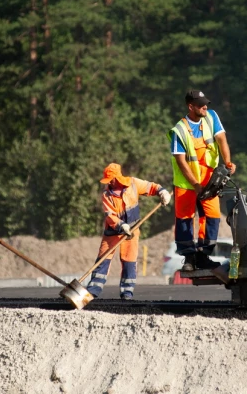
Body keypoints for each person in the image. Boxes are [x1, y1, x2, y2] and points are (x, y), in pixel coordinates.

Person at [168, 90, 237, 271]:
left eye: (206, 103)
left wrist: (228, 162)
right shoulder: (179, 130)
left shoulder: (211, 117)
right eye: (200, 104)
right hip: (186, 182)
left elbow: (221, 139)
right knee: (185, 219)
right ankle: (189, 258)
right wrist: (195, 185)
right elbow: (181, 161)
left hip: (209, 180)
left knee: (213, 217)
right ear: (190, 107)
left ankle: (203, 255)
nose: (205, 106)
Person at [87, 163, 171, 300]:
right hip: (113, 230)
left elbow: (151, 187)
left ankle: (127, 293)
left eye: (110, 180)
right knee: (103, 260)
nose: (109, 183)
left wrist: (162, 191)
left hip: (132, 231)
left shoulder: (133, 183)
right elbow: (110, 216)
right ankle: (92, 291)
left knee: (129, 261)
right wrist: (121, 225)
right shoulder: (106, 194)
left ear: (117, 178)